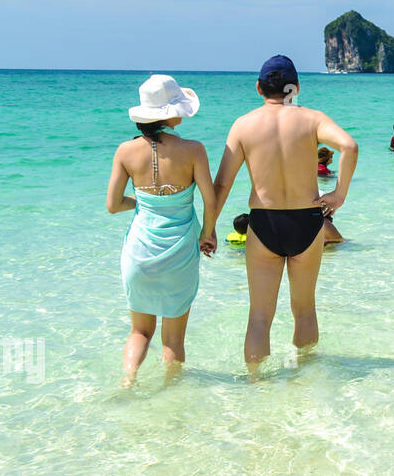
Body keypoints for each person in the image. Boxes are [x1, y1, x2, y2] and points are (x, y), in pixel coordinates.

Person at [211, 55, 358, 369]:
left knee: (260, 317)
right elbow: (350, 146)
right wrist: (339, 194)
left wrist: (208, 227)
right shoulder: (312, 119)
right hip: (307, 221)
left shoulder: (243, 124)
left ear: (259, 88)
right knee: (304, 309)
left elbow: (223, 183)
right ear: (296, 88)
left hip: (265, 222)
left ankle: (256, 385)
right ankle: (303, 377)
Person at [107, 75, 216, 386]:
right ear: (170, 114)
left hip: (139, 253)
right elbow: (210, 199)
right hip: (180, 253)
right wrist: (209, 233)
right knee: (173, 340)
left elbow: (113, 205)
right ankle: (170, 392)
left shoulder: (125, 151)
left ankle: (128, 380)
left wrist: (144, 202)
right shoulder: (194, 150)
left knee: (139, 332)